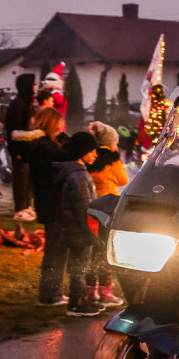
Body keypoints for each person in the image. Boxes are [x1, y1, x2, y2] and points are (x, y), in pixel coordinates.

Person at [14, 107, 69, 306]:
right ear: (52, 124)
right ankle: (50, 295)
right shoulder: (48, 148)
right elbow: (66, 160)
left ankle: (54, 292)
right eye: (59, 124)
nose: (61, 128)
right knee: (56, 250)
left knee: (56, 249)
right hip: (54, 203)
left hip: (48, 202)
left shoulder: (39, 146)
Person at [57, 132, 105, 317]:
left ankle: (80, 299)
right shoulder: (77, 176)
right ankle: (76, 302)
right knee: (80, 266)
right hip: (81, 230)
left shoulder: (78, 172)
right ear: (83, 151)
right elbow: (84, 208)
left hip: (80, 229)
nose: (95, 155)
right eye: (92, 151)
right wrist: (92, 231)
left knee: (80, 265)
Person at [85, 121, 127, 306]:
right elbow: (123, 179)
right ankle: (106, 292)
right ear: (111, 143)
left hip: (89, 208)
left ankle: (90, 290)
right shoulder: (111, 160)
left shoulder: (89, 157)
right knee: (104, 252)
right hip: (106, 209)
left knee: (91, 252)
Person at [5, 73, 37, 221]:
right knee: (21, 178)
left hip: (29, 149)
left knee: (29, 178)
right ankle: (20, 208)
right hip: (20, 149)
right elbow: (14, 130)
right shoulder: (17, 105)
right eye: (33, 85)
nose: (35, 88)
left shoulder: (27, 104)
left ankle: (27, 206)